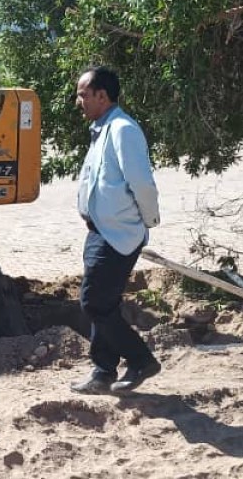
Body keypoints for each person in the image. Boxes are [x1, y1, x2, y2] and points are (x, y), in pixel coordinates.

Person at [70, 66, 162, 394]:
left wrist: (149, 222)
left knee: (93, 302)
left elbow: (141, 184)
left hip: (117, 234)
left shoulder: (124, 130)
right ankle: (103, 371)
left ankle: (141, 360)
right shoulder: (102, 129)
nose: (78, 101)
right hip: (100, 232)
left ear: (102, 96)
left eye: (83, 95)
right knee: (103, 303)